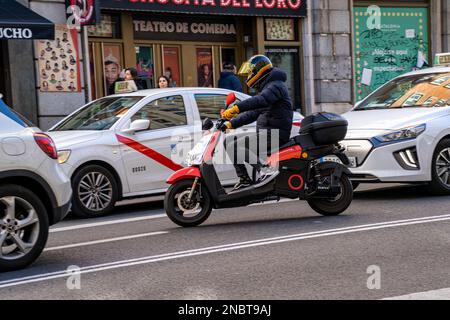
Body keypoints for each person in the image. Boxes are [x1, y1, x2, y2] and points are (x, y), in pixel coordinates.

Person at [220, 54, 293, 190]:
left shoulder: (275, 85)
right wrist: (231, 123)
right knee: (228, 142)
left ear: (258, 70)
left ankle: (264, 169)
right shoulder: (268, 86)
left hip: (275, 134)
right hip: (267, 133)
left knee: (235, 146)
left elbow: (260, 100)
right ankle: (244, 179)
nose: (248, 76)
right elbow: (254, 113)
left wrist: (237, 108)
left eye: (249, 72)